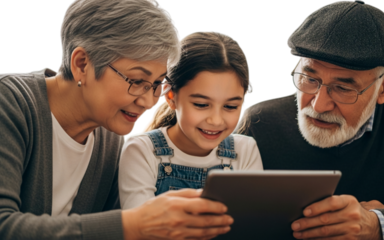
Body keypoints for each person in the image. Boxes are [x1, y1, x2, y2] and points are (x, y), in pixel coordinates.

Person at [0, 0, 233, 239]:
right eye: (136, 81)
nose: (148, 102)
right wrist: (133, 225)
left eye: (156, 85)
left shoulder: (111, 142)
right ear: (82, 64)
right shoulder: (10, 103)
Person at [236, 0, 384, 239]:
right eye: (309, 79)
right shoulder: (260, 122)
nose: (319, 105)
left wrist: (378, 225)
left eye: (343, 88)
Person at [119, 30, 263, 209]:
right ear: (171, 96)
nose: (216, 121)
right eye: (201, 105)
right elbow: (139, 230)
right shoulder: (141, 150)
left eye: (230, 106)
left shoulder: (245, 150)